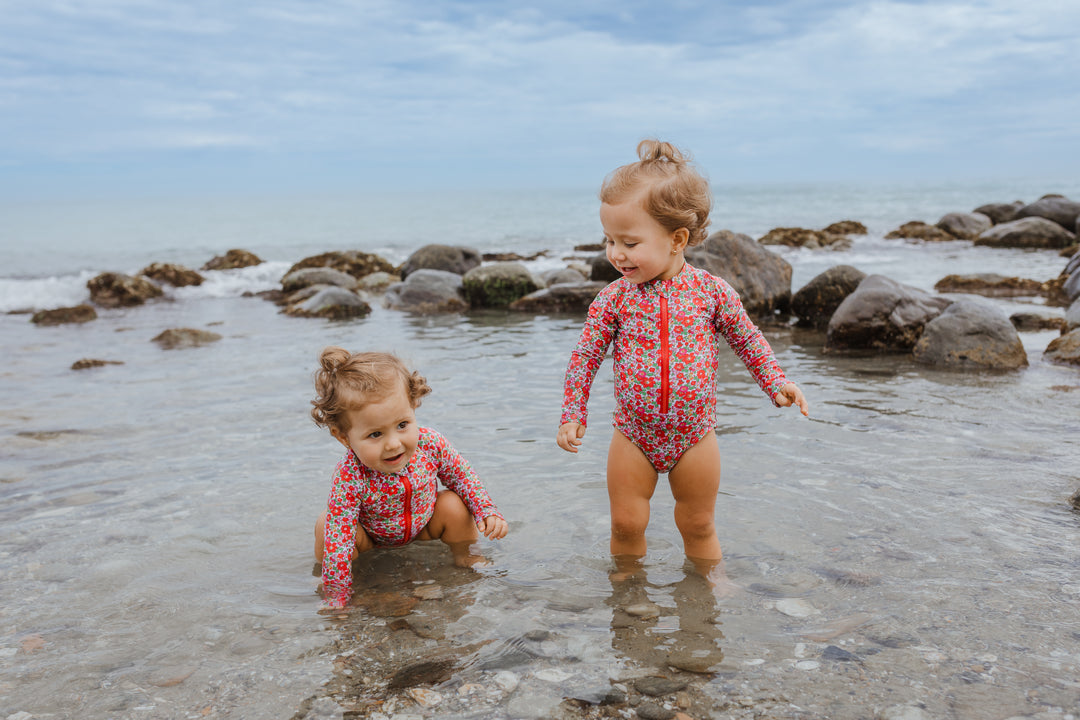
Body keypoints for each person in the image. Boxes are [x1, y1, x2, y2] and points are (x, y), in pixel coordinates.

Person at [556, 139, 808, 587]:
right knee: (626, 525)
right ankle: (629, 593)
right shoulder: (613, 299)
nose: (615, 254)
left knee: (698, 524)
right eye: (609, 240)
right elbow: (585, 359)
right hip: (633, 434)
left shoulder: (712, 292)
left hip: (695, 434)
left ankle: (711, 592)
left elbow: (748, 339)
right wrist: (573, 413)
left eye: (629, 242)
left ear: (677, 240)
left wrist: (776, 382)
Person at [312, 347, 508, 610]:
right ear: (344, 437)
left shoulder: (430, 444)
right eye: (375, 435)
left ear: (414, 405)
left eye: (402, 425)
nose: (393, 444)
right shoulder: (351, 475)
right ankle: (345, 586)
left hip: (423, 528)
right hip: (372, 539)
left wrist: (486, 510)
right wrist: (337, 594)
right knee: (328, 526)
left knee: (453, 502)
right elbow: (340, 537)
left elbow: (463, 476)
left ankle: (466, 556)